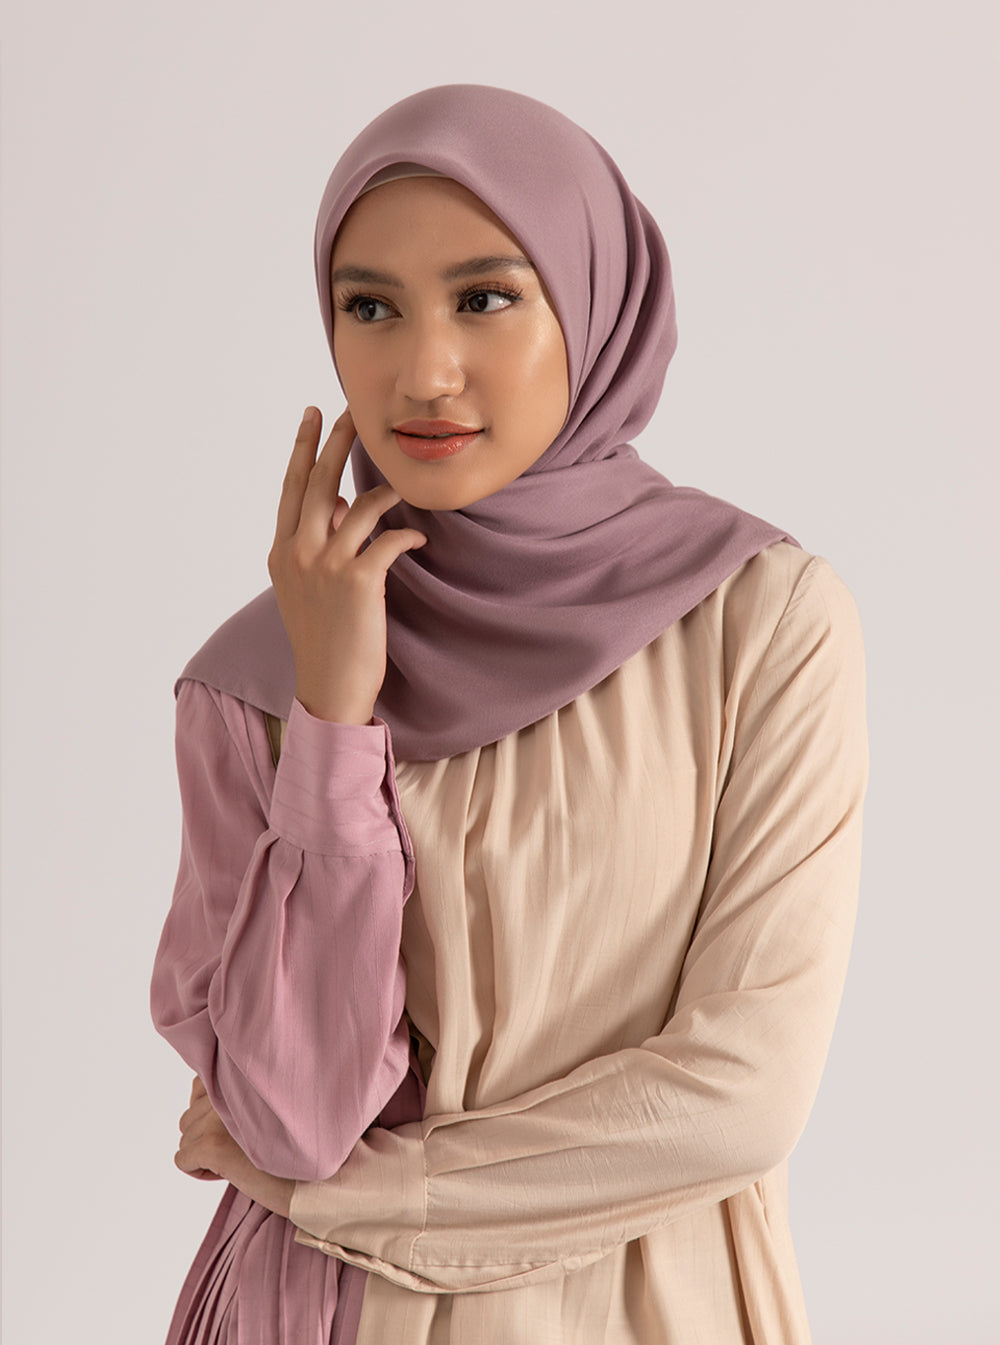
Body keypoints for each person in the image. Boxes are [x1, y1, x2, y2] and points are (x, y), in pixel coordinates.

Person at [151, 84, 868, 1345]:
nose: (423, 371)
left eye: (485, 298)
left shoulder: (760, 624)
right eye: (371, 307)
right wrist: (333, 720)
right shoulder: (254, 684)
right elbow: (292, 1120)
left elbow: (740, 1095)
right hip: (314, 1313)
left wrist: (366, 1197)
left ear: (595, 306)